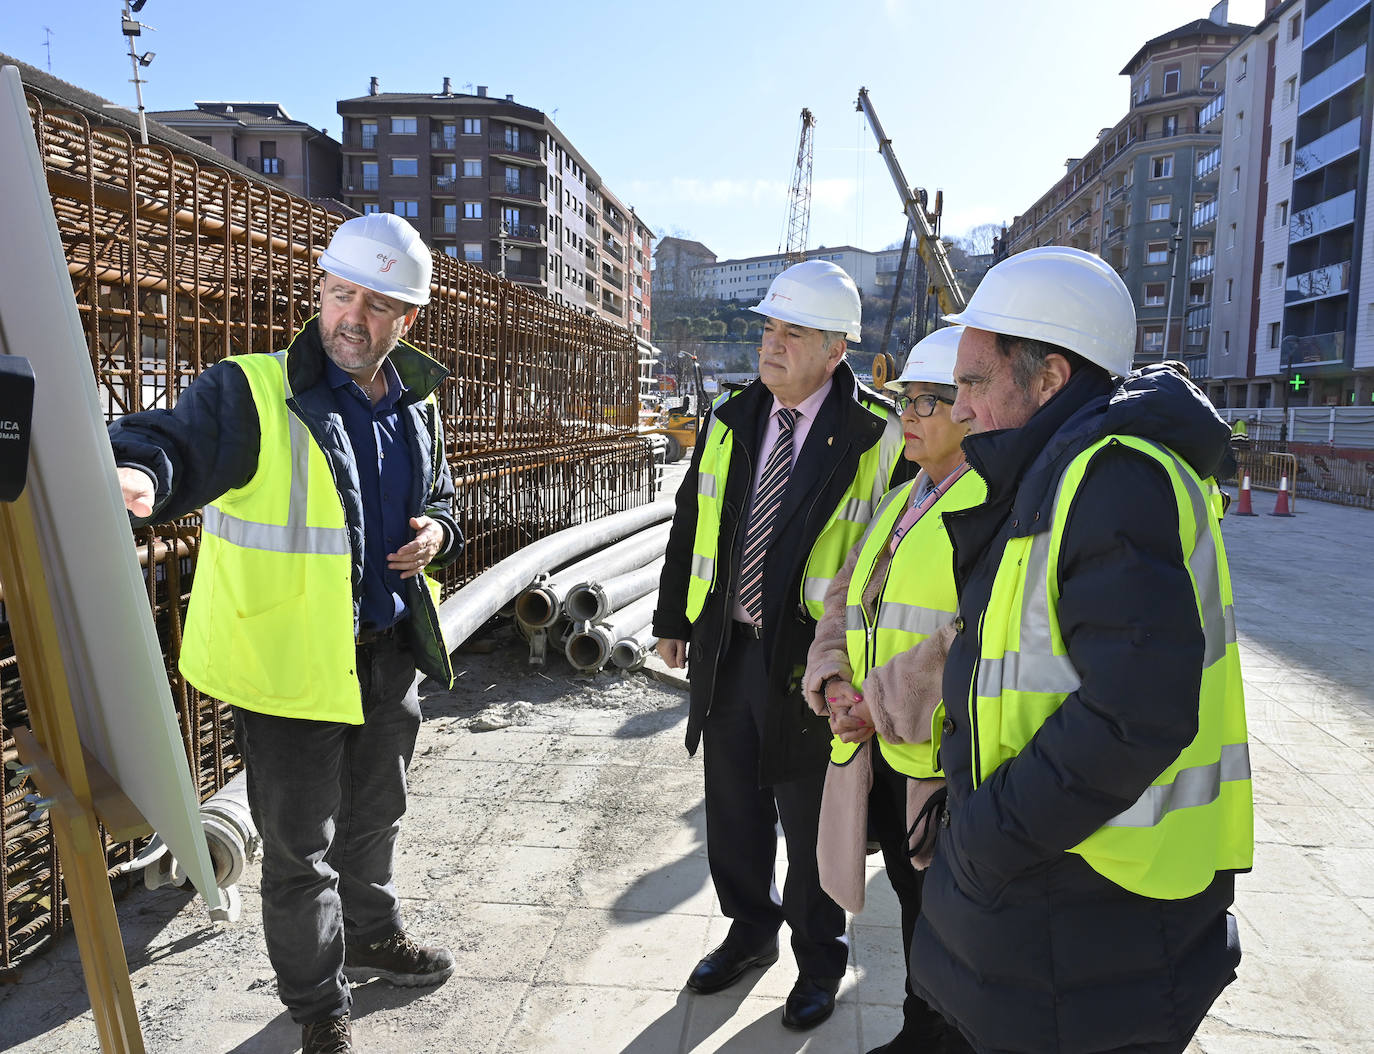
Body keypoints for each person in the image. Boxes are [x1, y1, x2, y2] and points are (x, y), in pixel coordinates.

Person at [109, 213, 462, 1054]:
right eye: (342, 294)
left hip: (385, 658)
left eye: (377, 306)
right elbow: (169, 439)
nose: (353, 318)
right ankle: (317, 1004)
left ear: (405, 320)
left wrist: (438, 533)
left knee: (377, 819)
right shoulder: (253, 389)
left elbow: (444, 496)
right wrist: (139, 471)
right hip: (290, 666)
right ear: (318, 292)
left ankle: (373, 934)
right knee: (302, 852)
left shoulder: (417, 401)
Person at [910, 246, 1253, 1053]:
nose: (957, 408)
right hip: (1069, 887)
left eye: (971, 382)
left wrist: (986, 836)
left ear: (1050, 378)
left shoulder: (1111, 476)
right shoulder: (1063, 471)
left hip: (1096, 891)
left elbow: (1135, 712)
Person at [652, 260, 908, 1031]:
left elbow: (893, 550)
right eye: (768, 328)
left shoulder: (876, 435)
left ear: (837, 350)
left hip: (812, 661)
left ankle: (818, 959)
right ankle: (748, 932)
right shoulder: (733, 416)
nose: (772, 344)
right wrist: (673, 617)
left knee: (811, 822)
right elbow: (693, 522)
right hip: (728, 646)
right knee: (733, 805)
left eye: (792, 332)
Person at [802, 325, 981, 1054]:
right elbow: (847, 592)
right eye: (906, 397)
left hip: (934, 764)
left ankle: (939, 1038)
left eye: (928, 400)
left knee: (946, 926)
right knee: (915, 914)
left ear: (970, 409)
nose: (908, 413)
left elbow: (973, 632)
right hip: (885, 747)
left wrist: (876, 703)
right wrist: (835, 678)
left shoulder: (987, 505)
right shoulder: (911, 493)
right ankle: (919, 1033)